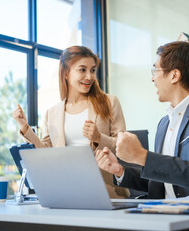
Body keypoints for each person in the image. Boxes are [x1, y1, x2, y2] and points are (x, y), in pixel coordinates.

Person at [95, 41, 189, 201]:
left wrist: (141, 156)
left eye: (155, 70)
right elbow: (160, 182)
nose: (152, 78)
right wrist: (120, 171)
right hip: (166, 215)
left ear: (174, 75)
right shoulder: (164, 123)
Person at [12, 45, 129, 199]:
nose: (89, 76)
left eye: (93, 70)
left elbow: (123, 147)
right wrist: (24, 127)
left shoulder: (109, 102)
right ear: (65, 72)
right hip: (67, 192)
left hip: (106, 192)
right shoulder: (52, 113)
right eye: (82, 70)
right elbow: (46, 152)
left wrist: (98, 138)